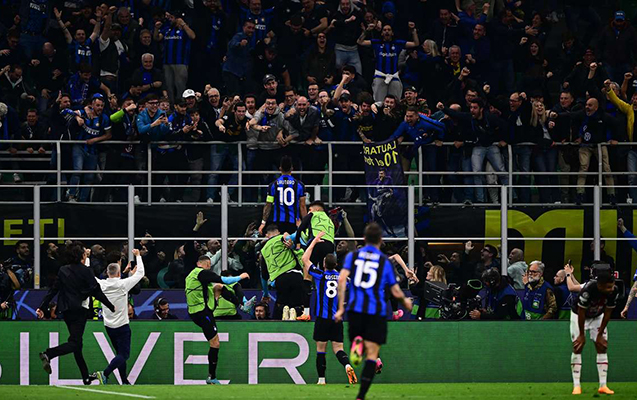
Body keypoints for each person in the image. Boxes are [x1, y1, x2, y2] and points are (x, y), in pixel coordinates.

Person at [334, 223, 412, 400]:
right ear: (380, 240)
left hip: (355, 309)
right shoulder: (384, 261)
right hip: (375, 311)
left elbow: (342, 280)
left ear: (364, 239)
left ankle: (357, 342)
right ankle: (361, 396)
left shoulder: (353, 256)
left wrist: (340, 308)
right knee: (372, 355)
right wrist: (405, 302)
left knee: (359, 341)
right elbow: (395, 290)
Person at [36, 242, 115, 385]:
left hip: (66, 311)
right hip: (79, 310)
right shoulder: (86, 271)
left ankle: (86, 377)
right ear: (82, 256)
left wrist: (42, 306)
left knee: (77, 344)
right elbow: (96, 291)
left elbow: (53, 290)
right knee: (74, 343)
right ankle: (49, 353)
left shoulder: (63, 270)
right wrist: (110, 305)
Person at [302, 231, 357, 385]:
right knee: (338, 349)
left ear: (324, 264)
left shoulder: (320, 275)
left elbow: (305, 259)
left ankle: (321, 380)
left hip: (322, 318)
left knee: (321, 350)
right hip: (337, 319)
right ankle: (347, 365)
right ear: (336, 265)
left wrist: (314, 241)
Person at [185, 255, 248, 384]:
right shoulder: (202, 273)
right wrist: (240, 277)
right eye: (209, 265)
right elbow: (224, 279)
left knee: (218, 287)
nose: (209, 267)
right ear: (207, 264)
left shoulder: (191, 275)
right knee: (215, 343)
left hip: (195, 311)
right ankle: (211, 377)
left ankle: (242, 306)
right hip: (202, 312)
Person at [93, 249, 145, 385]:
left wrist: (86, 259)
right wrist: (138, 256)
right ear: (118, 273)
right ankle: (104, 373)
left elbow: (88, 274)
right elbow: (140, 273)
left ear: (107, 272)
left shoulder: (101, 284)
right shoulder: (123, 284)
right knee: (124, 355)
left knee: (119, 354)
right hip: (122, 325)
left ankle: (124, 381)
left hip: (108, 326)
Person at [570, 271, 618, 395]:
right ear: (600, 285)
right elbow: (581, 311)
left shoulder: (614, 291)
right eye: (608, 287)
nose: (611, 289)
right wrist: (581, 335)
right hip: (579, 315)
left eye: (612, 286)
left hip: (597, 315)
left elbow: (608, 312)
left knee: (602, 346)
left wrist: (600, 334)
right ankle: (576, 386)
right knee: (578, 346)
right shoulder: (588, 290)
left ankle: (603, 385)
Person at [260, 224, 306, 320]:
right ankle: (294, 311)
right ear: (278, 232)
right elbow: (298, 234)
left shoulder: (263, 251)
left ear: (267, 235)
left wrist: (265, 293)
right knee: (298, 307)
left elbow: (264, 276)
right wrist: (300, 226)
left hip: (280, 280)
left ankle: (284, 309)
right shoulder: (284, 238)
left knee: (281, 306)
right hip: (296, 275)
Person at [258, 156, 307, 236]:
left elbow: (268, 204)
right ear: (292, 168)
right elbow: (302, 206)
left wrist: (263, 222)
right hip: (294, 221)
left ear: (280, 168)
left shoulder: (273, 185)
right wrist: (305, 224)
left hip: (278, 221)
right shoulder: (299, 185)